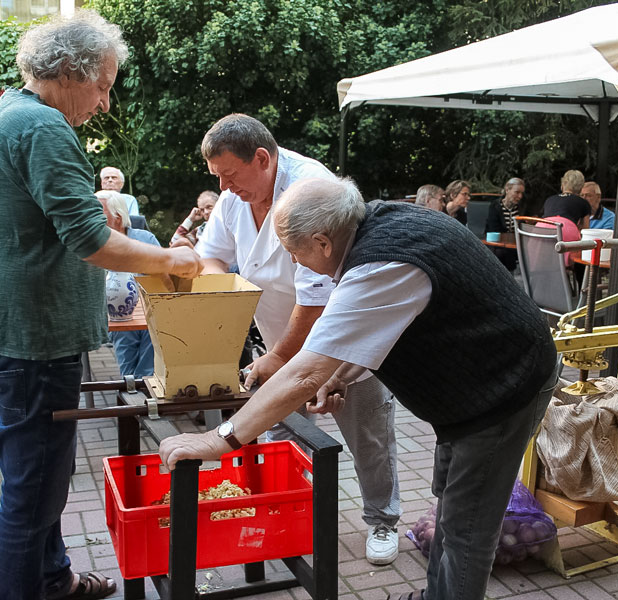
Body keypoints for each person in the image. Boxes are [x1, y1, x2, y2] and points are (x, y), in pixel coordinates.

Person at [160, 176, 558, 600]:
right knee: (449, 503)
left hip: (505, 385)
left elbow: (303, 373)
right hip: (470, 390)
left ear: (323, 243)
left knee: (467, 527)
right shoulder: (373, 222)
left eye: (295, 254)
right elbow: (363, 338)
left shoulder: (381, 263)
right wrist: (338, 376)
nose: (296, 265)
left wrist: (218, 438)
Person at [0, 12, 202, 600]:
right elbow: (91, 243)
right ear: (70, 70)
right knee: (32, 491)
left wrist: (91, 198)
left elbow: (33, 206)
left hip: (10, 331)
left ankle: (52, 580)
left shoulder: (12, 112)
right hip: (33, 340)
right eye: (104, 85)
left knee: (41, 476)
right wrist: (173, 260)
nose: (104, 102)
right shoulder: (43, 127)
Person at [195, 113, 402, 565]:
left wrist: (280, 357)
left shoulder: (310, 190)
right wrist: (225, 307)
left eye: (230, 175)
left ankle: (383, 521)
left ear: (263, 158)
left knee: (366, 435)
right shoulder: (235, 195)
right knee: (280, 434)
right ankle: (282, 516)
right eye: (218, 178)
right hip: (276, 343)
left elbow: (316, 301)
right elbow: (209, 257)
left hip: (344, 341)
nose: (225, 188)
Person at [96, 189, 160, 378]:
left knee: (153, 335)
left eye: (98, 212)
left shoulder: (144, 239)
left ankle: (138, 390)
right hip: (117, 317)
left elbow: (162, 277)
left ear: (117, 216)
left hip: (148, 313)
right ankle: (133, 389)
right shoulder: (93, 245)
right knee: (126, 350)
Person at [484, 177, 525, 271]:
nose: (520, 196)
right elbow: (493, 229)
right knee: (502, 253)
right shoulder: (495, 206)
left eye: (521, 193)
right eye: (517, 192)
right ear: (507, 190)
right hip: (497, 243)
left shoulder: (520, 207)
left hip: (514, 244)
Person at [542, 169, 591, 236]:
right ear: (581, 187)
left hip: (541, 229)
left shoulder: (549, 199)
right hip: (565, 231)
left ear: (563, 184)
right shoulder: (583, 203)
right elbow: (585, 230)